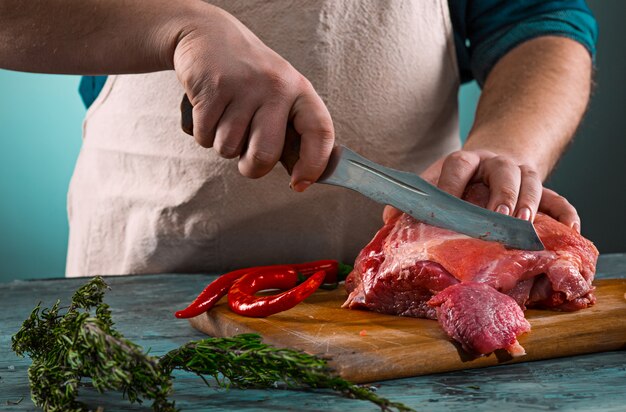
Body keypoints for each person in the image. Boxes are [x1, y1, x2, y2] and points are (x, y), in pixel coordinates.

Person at [0, 0, 597, 276]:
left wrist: (512, 143)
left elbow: (536, 20)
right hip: (149, 280)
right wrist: (181, 26)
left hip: (413, 284)